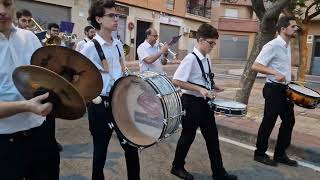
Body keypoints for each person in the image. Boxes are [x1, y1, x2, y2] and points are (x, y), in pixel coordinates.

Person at [0, 0, 60, 179]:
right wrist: (27, 106)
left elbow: (43, 79)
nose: (2, 11)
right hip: (5, 142)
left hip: (41, 133)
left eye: (6, 3)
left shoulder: (29, 37)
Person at [80, 1, 140, 180]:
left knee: (131, 146)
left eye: (117, 16)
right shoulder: (89, 47)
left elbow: (121, 70)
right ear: (98, 19)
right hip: (100, 104)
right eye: (111, 16)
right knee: (100, 151)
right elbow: (79, 74)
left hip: (119, 101)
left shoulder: (118, 44)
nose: (116, 19)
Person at [170, 23, 237, 180]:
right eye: (210, 43)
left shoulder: (207, 58)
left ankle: (219, 172)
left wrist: (213, 86)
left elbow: (205, 79)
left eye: (214, 43)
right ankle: (177, 166)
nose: (213, 46)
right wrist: (199, 89)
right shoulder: (190, 59)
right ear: (200, 40)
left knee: (213, 138)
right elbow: (177, 81)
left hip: (204, 104)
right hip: (190, 102)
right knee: (188, 136)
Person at [251, 16, 299, 167]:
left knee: (289, 120)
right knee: (269, 121)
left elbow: (280, 64)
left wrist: (288, 73)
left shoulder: (287, 45)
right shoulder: (272, 45)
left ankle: (280, 154)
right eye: (293, 26)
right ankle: (259, 153)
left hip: (285, 89)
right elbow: (256, 65)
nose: (295, 29)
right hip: (273, 89)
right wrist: (273, 72)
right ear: (283, 29)